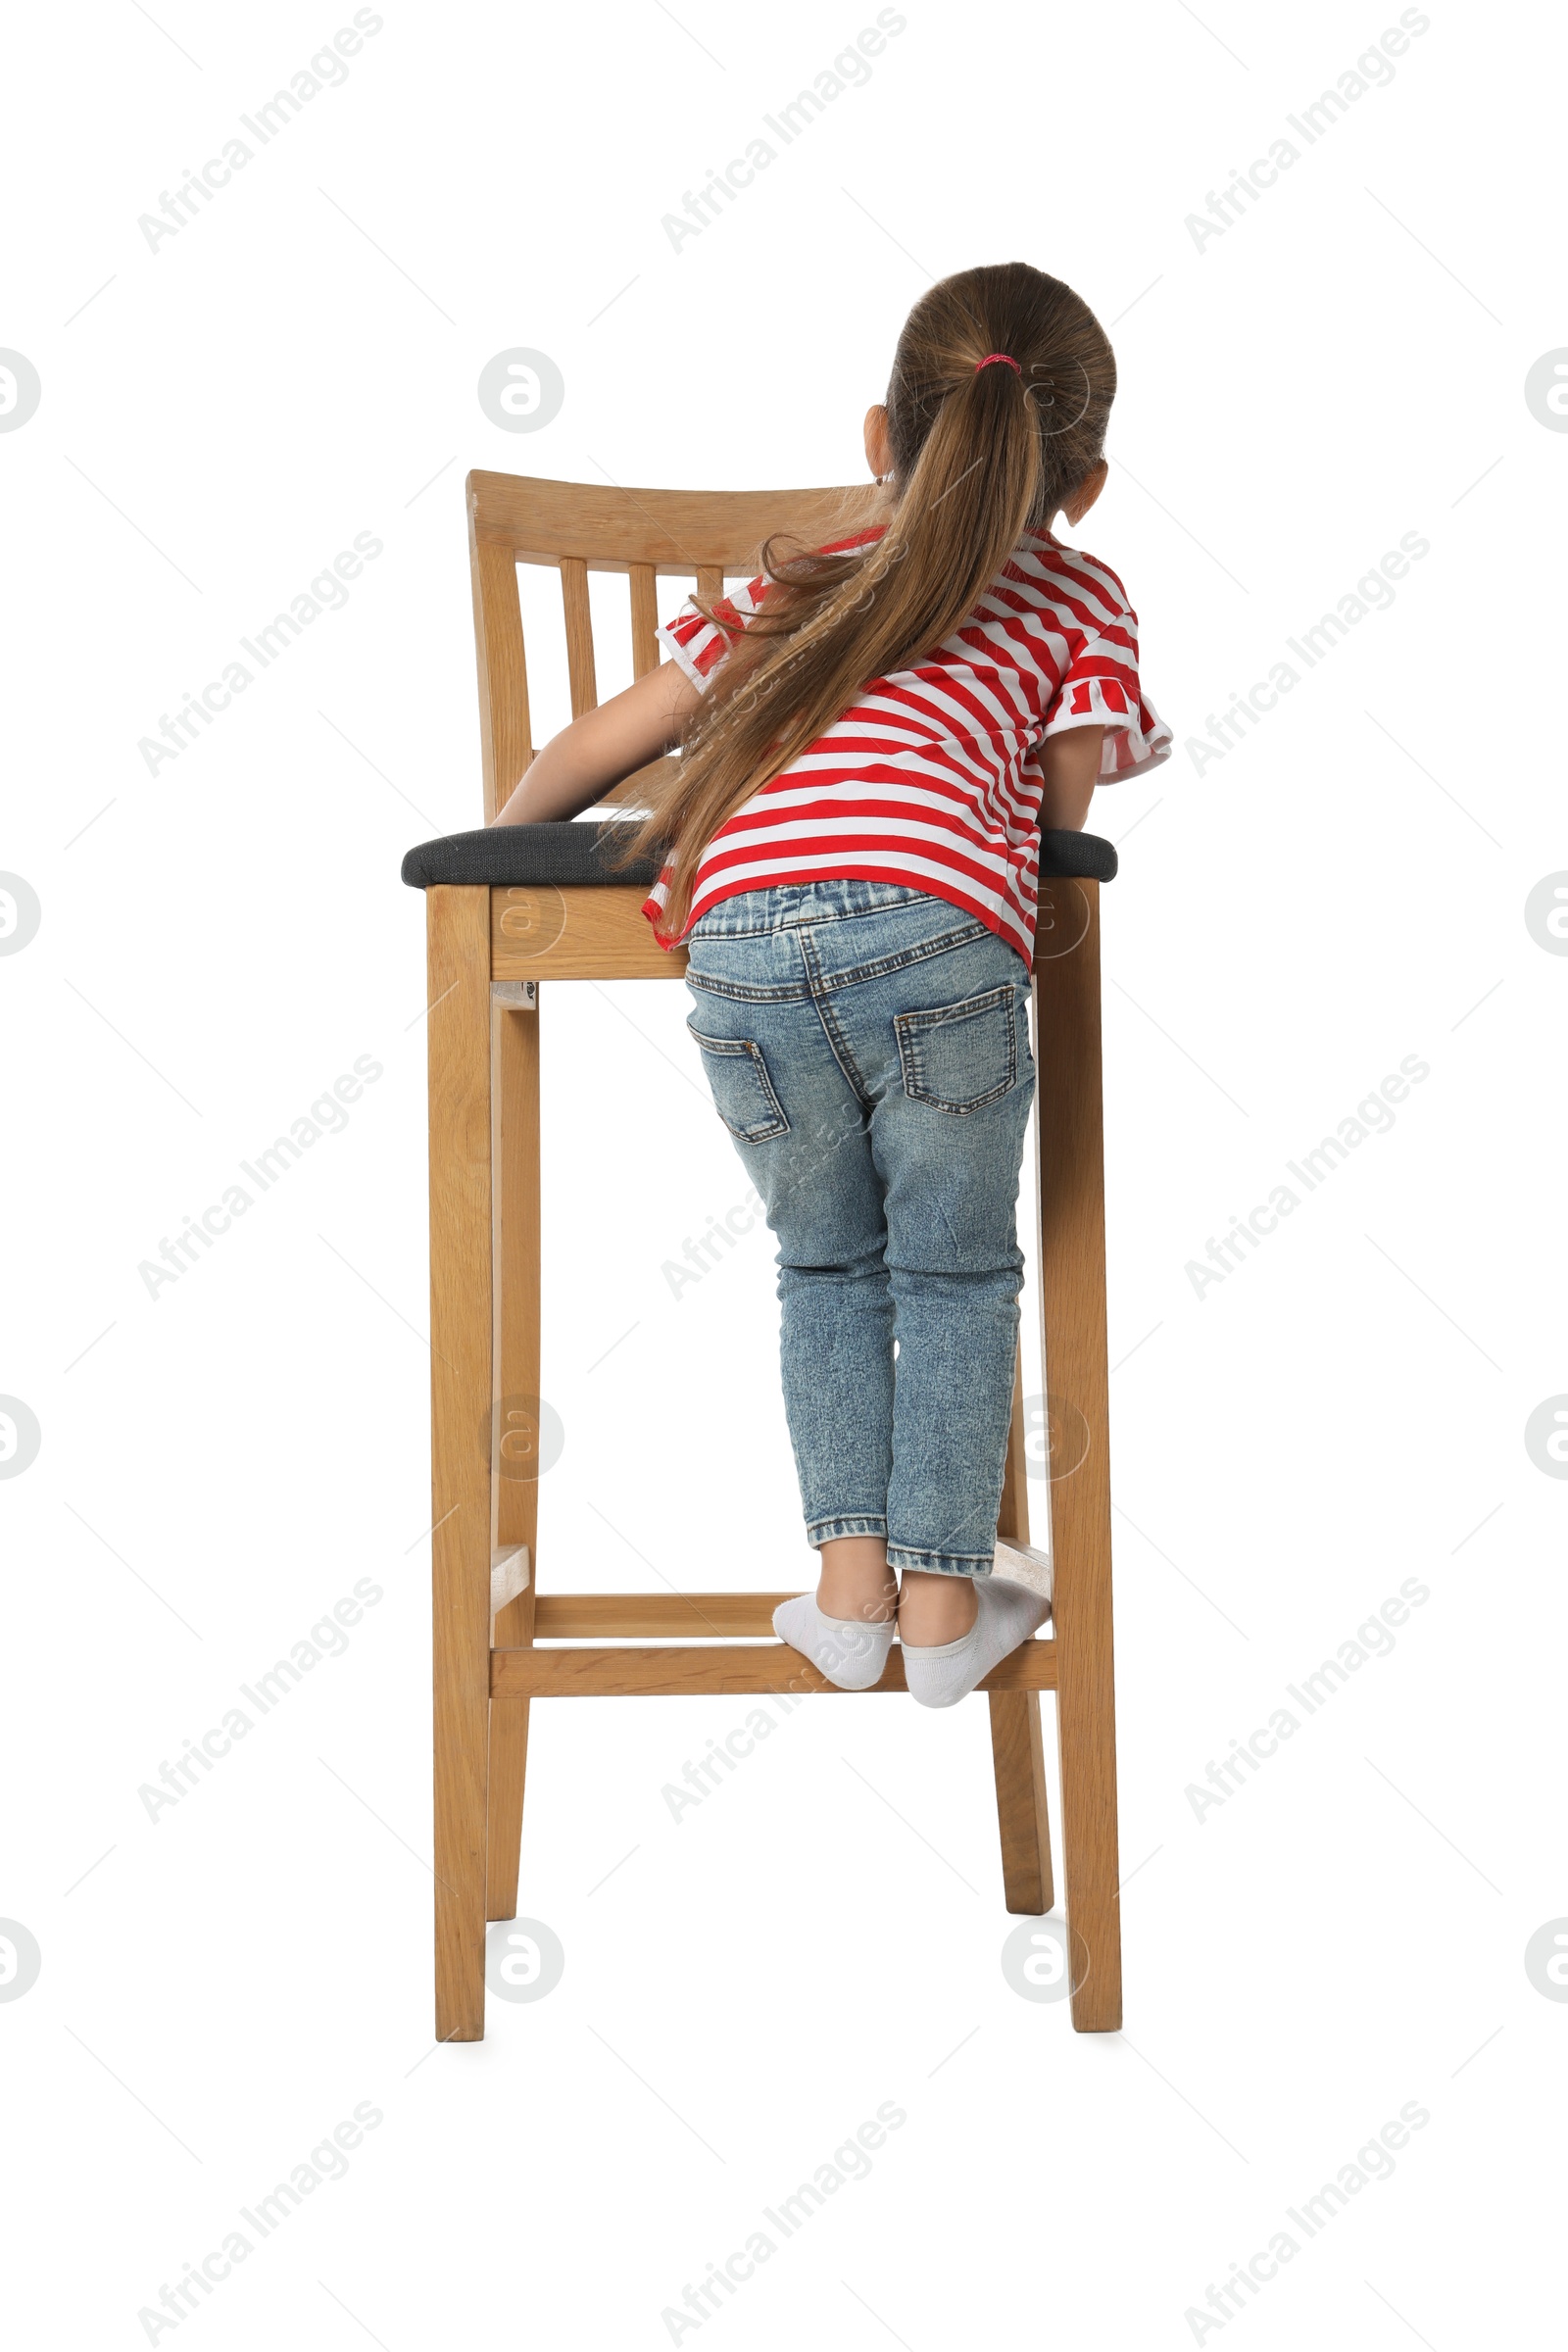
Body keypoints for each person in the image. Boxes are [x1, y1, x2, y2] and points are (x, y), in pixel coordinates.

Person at [492, 261, 1170, 1704]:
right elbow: (1061, 832)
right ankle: (941, 1608)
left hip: (735, 947)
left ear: (879, 437)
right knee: (959, 1269)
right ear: (1088, 483)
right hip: (935, 939)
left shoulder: (794, 577)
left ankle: (846, 1598)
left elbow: (595, 747)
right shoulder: (1082, 591)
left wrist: (504, 846)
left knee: (824, 1266)